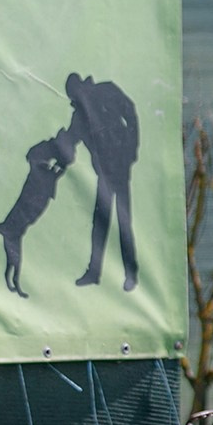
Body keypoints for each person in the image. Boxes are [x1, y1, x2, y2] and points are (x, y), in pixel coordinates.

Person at [64, 72, 141, 292]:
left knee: (123, 221)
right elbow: (69, 141)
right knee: (100, 221)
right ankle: (94, 272)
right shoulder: (79, 116)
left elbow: (131, 114)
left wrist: (132, 149)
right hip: (104, 172)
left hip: (121, 164)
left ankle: (131, 274)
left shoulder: (107, 90)